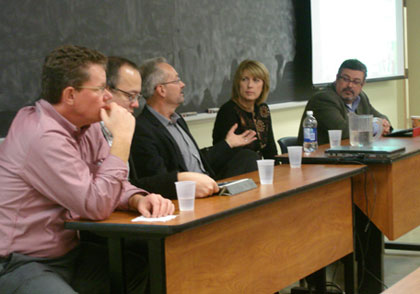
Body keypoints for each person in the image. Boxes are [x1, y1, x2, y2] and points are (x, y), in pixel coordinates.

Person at [0, 45, 174, 294]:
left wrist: (136, 198)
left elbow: (109, 180)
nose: (107, 97)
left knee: (138, 269)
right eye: (100, 89)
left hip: (66, 254)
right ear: (70, 95)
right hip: (20, 262)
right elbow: (96, 204)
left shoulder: (88, 125)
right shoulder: (42, 135)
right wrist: (123, 138)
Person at [130, 57, 259, 199]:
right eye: (176, 80)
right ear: (161, 90)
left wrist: (228, 144)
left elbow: (197, 163)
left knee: (248, 157)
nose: (183, 84)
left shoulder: (178, 121)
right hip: (189, 196)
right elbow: (159, 181)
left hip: (209, 184)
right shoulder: (142, 129)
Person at [297, 59, 392, 145]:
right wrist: (375, 126)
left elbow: (380, 117)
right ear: (337, 78)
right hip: (321, 158)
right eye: (346, 79)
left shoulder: (361, 97)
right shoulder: (323, 99)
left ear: (362, 85)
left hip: (351, 154)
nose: (350, 85)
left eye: (356, 82)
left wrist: (384, 124)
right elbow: (344, 130)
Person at [212, 59, 277, 159]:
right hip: (236, 170)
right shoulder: (228, 111)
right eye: (244, 79)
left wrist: (276, 171)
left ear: (264, 85)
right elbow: (225, 154)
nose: (250, 85)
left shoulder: (262, 109)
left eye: (256, 80)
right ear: (238, 84)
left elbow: (270, 149)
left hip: (259, 169)